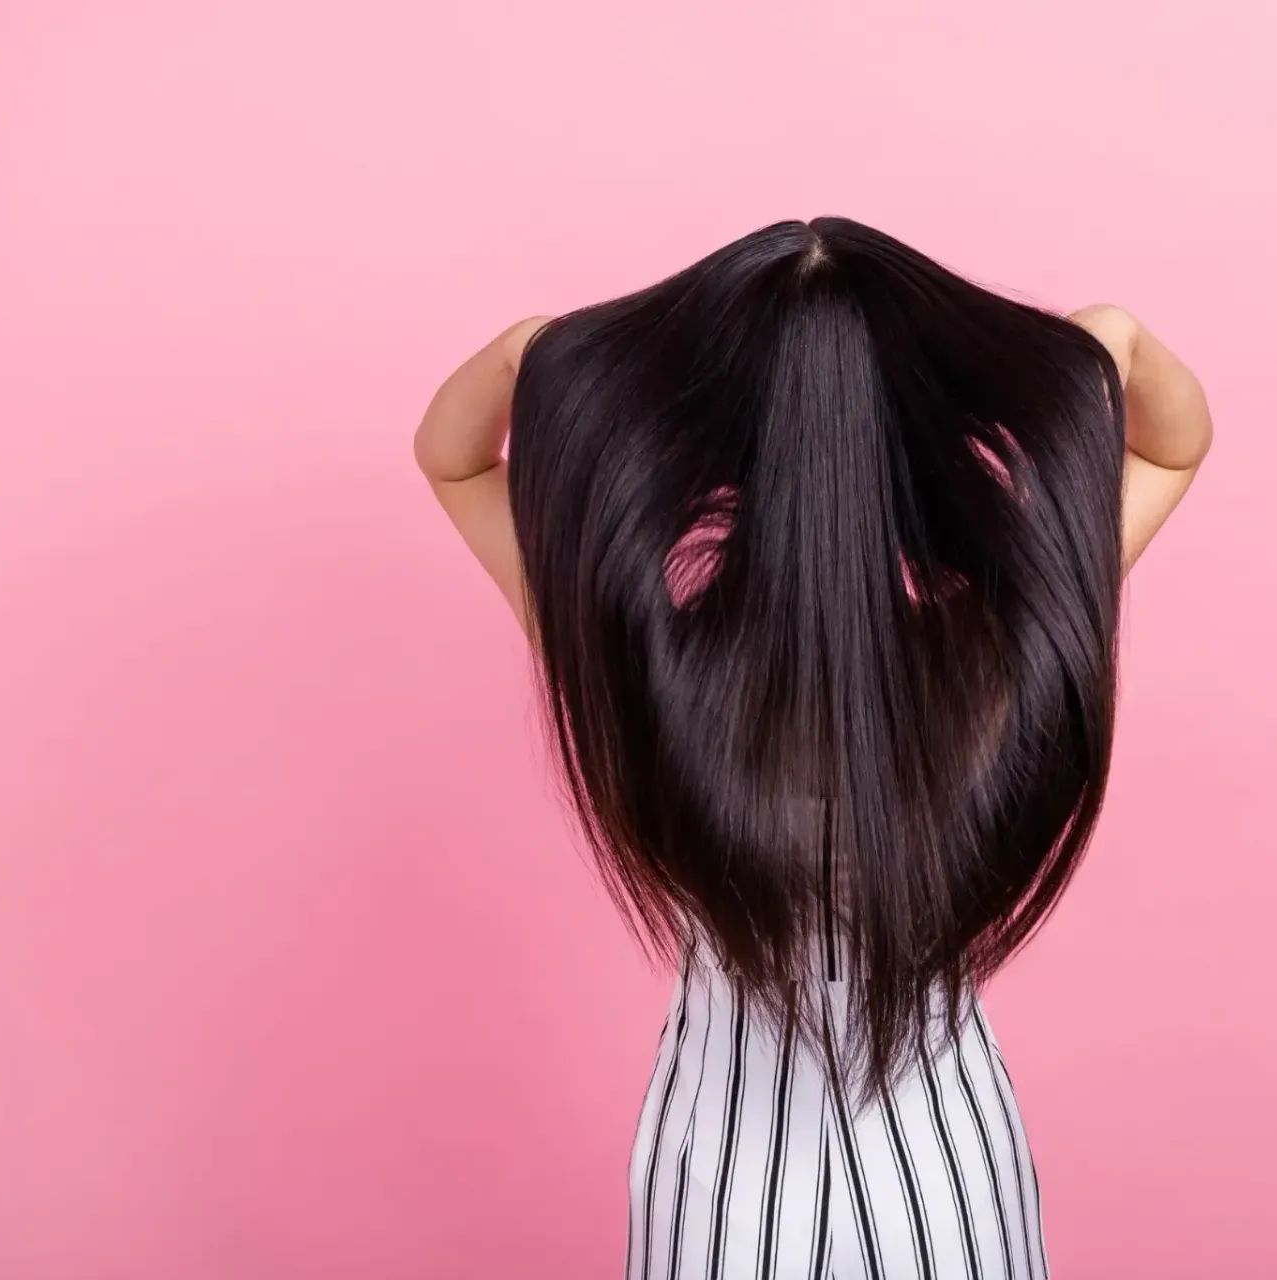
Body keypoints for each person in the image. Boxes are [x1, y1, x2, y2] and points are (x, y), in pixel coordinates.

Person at [415, 218, 1211, 1279]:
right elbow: (1171, 440)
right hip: (945, 1172)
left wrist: (535, 351)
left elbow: (454, 457)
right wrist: (1103, 340)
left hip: (724, 1181)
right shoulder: (993, 660)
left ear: (730, 437)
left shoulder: (645, 666)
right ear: (912, 444)